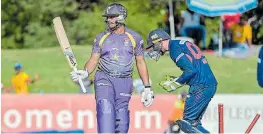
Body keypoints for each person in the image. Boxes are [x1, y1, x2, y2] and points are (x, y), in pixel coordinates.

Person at [70, 3, 154, 133]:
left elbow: (141, 62)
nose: (108, 20)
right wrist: (85, 72)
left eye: (112, 17)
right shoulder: (101, 37)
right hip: (104, 78)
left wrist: (147, 88)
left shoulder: (135, 38)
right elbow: (93, 59)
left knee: (122, 121)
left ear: (121, 17)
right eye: (107, 17)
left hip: (125, 81)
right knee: (106, 110)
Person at [146, 29, 217, 133]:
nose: (153, 49)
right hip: (209, 84)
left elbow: (190, 71)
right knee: (194, 123)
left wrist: (177, 82)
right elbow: (194, 67)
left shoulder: (174, 50)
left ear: (159, 41)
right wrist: (178, 79)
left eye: (153, 45)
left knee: (187, 124)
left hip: (200, 86)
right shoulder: (179, 43)